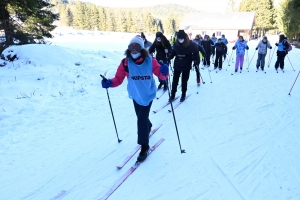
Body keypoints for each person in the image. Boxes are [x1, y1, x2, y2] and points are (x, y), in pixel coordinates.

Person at [101, 35, 169, 162]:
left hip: (148, 94)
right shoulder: (125, 63)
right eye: (131, 47)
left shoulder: (150, 60)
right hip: (135, 95)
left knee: (141, 119)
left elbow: (161, 75)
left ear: (142, 48)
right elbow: (118, 79)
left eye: (137, 46)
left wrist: (164, 72)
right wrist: (109, 83)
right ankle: (148, 126)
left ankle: (144, 146)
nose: (134, 50)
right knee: (141, 117)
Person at [168, 30, 200, 102]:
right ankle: (173, 94)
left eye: (181, 38)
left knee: (184, 81)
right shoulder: (176, 44)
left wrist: (196, 60)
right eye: (179, 38)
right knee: (175, 81)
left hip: (186, 65)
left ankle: (183, 94)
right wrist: (169, 57)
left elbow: (196, 52)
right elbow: (173, 52)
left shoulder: (190, 44)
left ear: (185, 38)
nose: (180, 40)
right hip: (177, 65)